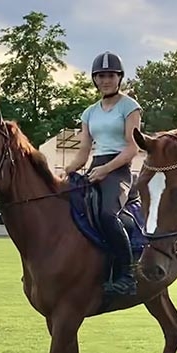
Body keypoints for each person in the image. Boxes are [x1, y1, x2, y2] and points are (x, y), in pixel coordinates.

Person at [63, 51, 142, 296]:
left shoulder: (130, 107)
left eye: (111, 75)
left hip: (118, 171)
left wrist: (106, 170)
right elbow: (84, 151)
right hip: (94, 167)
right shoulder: (89, 113)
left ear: (119, 77)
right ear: (94, 79)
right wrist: (68, 170)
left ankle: (127, 274)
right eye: (101, 76)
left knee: (107, 214)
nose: (106, 80)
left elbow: (132, 148)